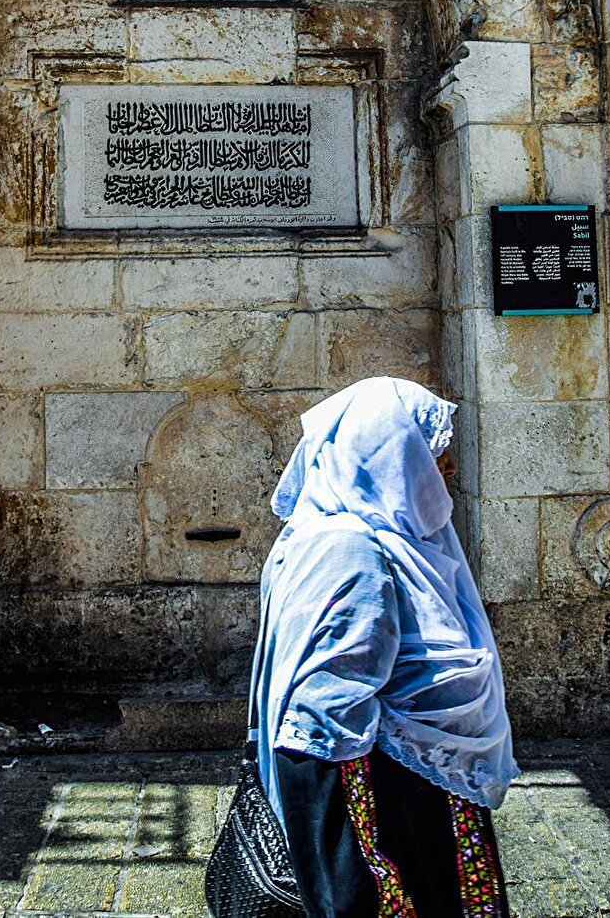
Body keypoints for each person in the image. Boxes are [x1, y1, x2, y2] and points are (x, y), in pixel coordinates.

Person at [248, 376, 519, 918]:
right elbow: (320, 723)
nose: (449, 466)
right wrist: (350, 873)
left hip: (410, 790)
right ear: (388, 452)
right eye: (433, 448)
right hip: (394, 812)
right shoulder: (354, 554)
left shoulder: (344, 538)